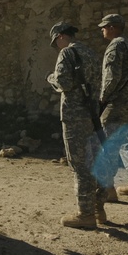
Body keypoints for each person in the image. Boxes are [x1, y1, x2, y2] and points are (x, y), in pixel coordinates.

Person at [46, 22, 105, 229]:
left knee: (79, 165)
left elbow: (63, 82)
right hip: (92, 115)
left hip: (74, 116)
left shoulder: (67, 54)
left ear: (61, 36)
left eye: (56, 42)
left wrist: (51, 78)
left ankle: (85, 214)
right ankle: (99, 208)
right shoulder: (90, 53)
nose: (57, 47)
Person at [93, 14, 128, 199]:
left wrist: (102, 99)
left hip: (118, 102)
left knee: (107, 143)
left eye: (105, 26)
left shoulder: (116, 46)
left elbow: (111, 77)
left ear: (113, 27)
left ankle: (107, 189)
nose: (102, 29)